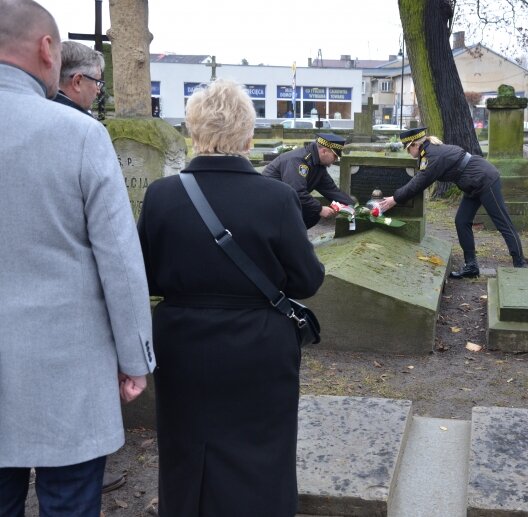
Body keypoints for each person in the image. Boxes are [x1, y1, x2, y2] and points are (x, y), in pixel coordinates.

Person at [138, 78, 324, 516]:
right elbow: (306, 280)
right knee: (262, 448)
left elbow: (142, 274)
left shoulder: (162, 196)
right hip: (258, 343)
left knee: (186, 443)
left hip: (181, 340)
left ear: (193, 132)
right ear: (248, 135)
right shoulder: (277, 198)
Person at [0, 1, 155, 515]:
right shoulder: (80, 135)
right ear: (48, 50)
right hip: (65, 372)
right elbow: (120, 260)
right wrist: (136, 360)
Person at [50, 38, 126, 495]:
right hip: (70, 332)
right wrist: (135, 359)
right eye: (97, 82)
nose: (100, 91)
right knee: (70, 487)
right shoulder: (82, 132)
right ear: (76, 80)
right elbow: (115, 252)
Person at [377, 127, 526, 277]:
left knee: (503, 223)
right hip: (471, 183)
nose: (407, 152)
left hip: (485, 179)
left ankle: (520, 264)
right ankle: (471, 267)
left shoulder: (432, 156)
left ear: (415, 145)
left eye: (407, 149)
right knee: (461, 221)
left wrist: (395, 199)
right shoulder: (428, 151)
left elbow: (419, 182)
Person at [262, 133, 354, 228]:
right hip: (269, 205)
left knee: (312, 213)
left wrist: (354, 207)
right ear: (324, 151)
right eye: (335, 156)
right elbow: (296, 191)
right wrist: (319, 208)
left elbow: (331, 190)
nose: (335, 160)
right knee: (313, 211)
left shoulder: (318, 164)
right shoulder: (298, 160)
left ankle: (292, 237)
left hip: (284, 203)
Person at [54, 40, 104, 115]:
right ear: (77, 82)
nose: (98, 90)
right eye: (96, 82)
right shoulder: (87, 125)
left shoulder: (34, 111)